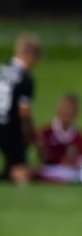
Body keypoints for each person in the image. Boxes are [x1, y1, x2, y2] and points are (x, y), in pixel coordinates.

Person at [1, 34, 40, 186]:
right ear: (31, 54)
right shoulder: (25, 79)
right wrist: (29, 130)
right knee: (20, 167)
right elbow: (23, 112)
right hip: (9, 126)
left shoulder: (2, 70)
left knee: (10, 163)